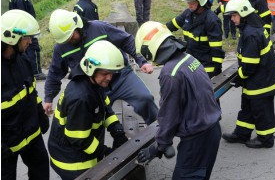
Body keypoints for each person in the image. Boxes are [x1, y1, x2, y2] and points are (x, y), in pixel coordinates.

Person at [136, 21, 221, 180]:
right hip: (212, 130)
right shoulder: (188, 59)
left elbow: (169, 114)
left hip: (196, 141)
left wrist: (159, 147)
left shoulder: (170, 73)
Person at [44, 9, 158, 125]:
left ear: (78, 26)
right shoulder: (61, 47)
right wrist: (48, 98)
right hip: (94, 88)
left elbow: (126, 40)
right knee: (93, 120)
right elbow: (54, 73)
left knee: (145, 98)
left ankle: (158, 130)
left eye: (71, 36)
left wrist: (142, 61)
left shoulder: (98, 28)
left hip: (121, 76)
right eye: (65, 39)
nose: (69, 40)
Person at [48, 40, 129, 180]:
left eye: (112, 73)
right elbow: (79, 139)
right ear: (91, 68)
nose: (109, 77)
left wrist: (117, 130)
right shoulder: (81, 98)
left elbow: (105, 106)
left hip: (77, 151)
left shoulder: (91, 81)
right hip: (73, 162)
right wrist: (104, 153)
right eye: (105, 73)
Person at [221, 0, 275, 149]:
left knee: (262, 111)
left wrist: (239, 78)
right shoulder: (252, 28)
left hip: (262, 82)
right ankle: (242, 133)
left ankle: (266, 139)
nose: (232, 19)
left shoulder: (251, 34)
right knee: (248, 107)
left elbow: (250, 65)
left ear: (243, 14)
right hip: (257, 78)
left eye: (234, 15)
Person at [1, 9, 50, 180]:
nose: (30, 41)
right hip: (7, 145)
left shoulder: (24, 61)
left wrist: (40, 114)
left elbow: (32, 92)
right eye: (26, 37)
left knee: (41, 169)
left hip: (32, 133)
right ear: (11, 38)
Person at [166, 0, 225, 78]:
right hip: (190, 63)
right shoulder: (187, 14)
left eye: (192, 3)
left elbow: (216, 48)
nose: (189, 5)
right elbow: (171, 26)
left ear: (200, 2)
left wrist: (217, 69)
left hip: (205, 68)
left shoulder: (212, 20)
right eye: (188, 2)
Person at [9, 0, 46, 80]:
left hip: (18, 29)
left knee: (23, 51)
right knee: (34, 49)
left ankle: (28, 71)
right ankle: (37, 72)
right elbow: (23, 15)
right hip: (27, 29)